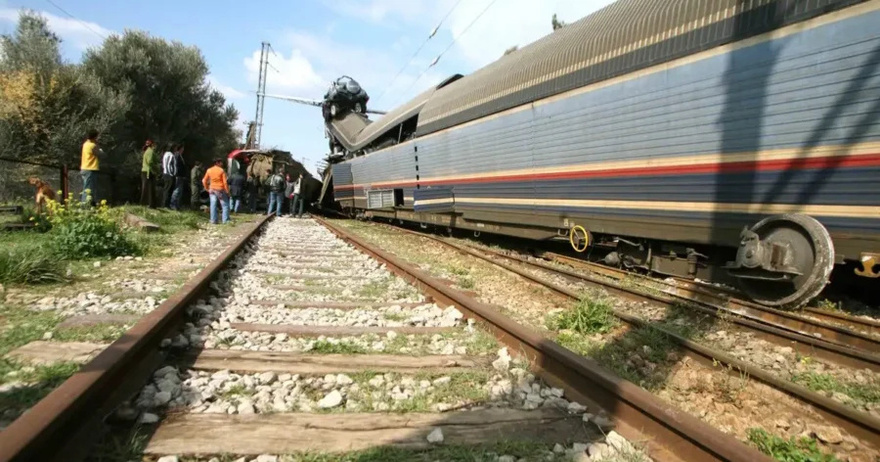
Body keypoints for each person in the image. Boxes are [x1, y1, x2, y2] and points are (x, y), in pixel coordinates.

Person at [202, 158, 230, 224]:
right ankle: (225, 220)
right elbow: (225, 182)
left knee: (213, 204)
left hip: (212, 189)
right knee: (225, 205)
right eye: (221, 162)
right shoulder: (221, 170)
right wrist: (227, 191)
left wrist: (207, 188)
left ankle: (213, 220)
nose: (222, 164)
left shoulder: (209, 170)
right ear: (217, 163)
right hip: (220, 189)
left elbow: (204, 180)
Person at [80, 129, 104, 205]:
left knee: (89, 188)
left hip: (84, 168)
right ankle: (85, 205)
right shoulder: (92, 145)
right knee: (88, 189)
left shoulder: (85, 144)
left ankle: (91, 204)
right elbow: (100, 154)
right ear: (95, 137)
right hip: (90, 169)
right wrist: (100, 149)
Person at [140, 139, 157, 208]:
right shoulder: (150, 151)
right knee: (150, 189)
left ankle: (143, 203)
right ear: (152, 144)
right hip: (149, 171)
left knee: (145, 188)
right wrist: (156, 167)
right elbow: (150, 162)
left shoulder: (146, 151)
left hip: (144, 171)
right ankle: (150, 204)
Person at [169, 144, 187, 210]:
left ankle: (177, 205)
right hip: (178, 175)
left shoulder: (180, 155)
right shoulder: (177, 155)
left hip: (181, 176)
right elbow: (176, 165)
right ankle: (173, 204)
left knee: (179, 191)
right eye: (182, 148)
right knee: (176, 190)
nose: (183, 150)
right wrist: (177, 173)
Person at [161, 143, 176, 208]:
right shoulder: (170, 155)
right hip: (169, 175)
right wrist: (171, 173)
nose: (176, 149)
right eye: (175, 147)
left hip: (166, 174)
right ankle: (165, 204)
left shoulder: (166, 154)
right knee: (168, 190)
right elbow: (168, 164)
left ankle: (165, 204)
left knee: (167, 189)